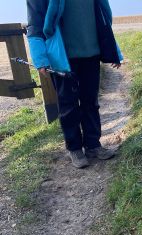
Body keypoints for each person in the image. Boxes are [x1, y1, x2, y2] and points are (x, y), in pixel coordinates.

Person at [26, 0, 123, 168]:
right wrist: (40, 58)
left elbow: (103, 18)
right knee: (68, 105)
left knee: (91, 102)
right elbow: (35, 24)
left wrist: (114, 51)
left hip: (91, 54)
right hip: (62, 58)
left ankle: (93, 145)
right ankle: (75, 148)